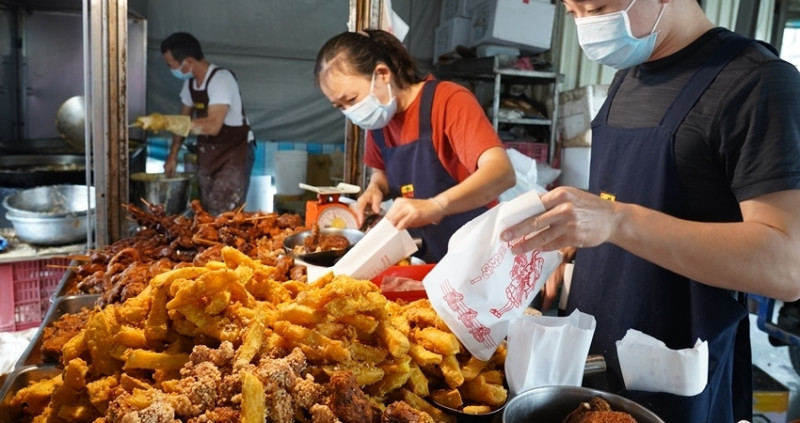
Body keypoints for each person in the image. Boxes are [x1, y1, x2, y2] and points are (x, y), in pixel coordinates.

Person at [500, 0, 800, 421]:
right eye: (574, 12)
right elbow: (625, 199)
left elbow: (787, 266)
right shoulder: (628, 77)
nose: (588, 27)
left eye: (598, 7)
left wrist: (618, 221)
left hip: (676, 372)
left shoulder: (758, 83)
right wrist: (571, 248)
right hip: (596, 354)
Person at [313, 29, 516, 263]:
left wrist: (437, 205)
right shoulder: (379, 120)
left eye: (351, 100)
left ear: (382, 74)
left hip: (478, 255)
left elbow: (502, 173)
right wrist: (376, 189)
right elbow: (382, 173)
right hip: (425, 256)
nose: (350, 112)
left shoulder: (448, 101)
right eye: (340, 107)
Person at [160, 32, 255, 216]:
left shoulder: (221, 80)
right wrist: (173, 155)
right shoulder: (189, 85)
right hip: (209, 153)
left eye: (170, 65)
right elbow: (183, 121)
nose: (170, 70)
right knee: (208, 211)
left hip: (234, 154)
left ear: (187, 62)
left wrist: (166, 122)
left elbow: (213, 125)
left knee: (225, 214)